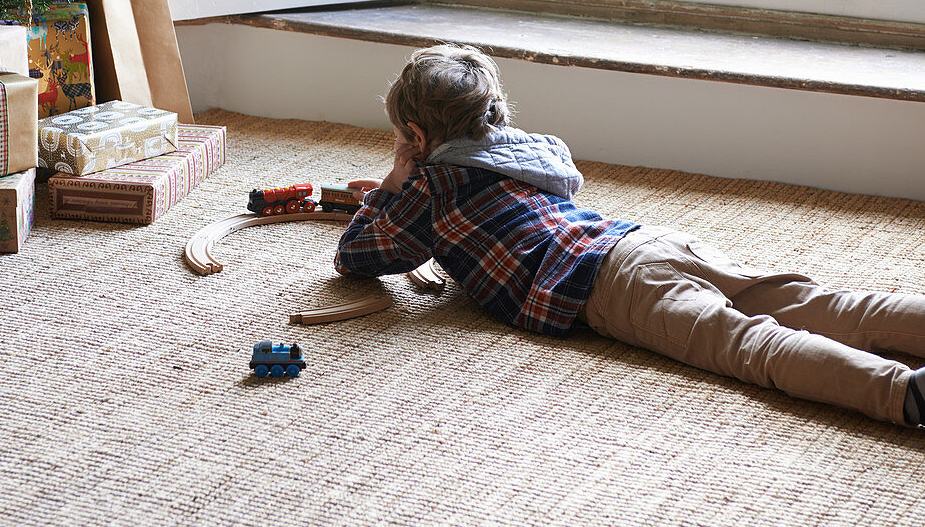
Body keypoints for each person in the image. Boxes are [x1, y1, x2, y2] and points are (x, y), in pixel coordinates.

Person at [334, 44, 925, 428]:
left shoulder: (428, 187)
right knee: (814, 301)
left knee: (750, 345)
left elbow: (357, 257)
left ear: (412, 132)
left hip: (614, 285)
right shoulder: (527, 151)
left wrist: (392, 180)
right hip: (649, 242)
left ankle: (903, 394)